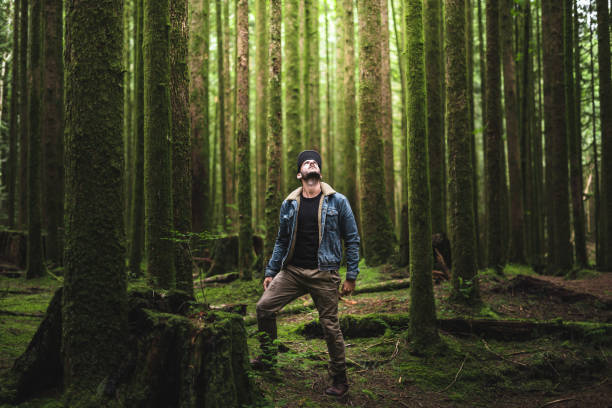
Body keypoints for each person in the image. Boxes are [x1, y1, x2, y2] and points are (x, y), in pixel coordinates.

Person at [253, 150, 360, 397]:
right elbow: (281, 240)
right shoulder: (289, 203)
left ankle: (340, 378)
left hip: (324, 273)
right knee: (264, 308)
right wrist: (271, 270)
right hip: (292, 272)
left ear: (320, 173)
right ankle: (269, 358)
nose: (311, 163)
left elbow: (352, 239)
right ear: (299, 173)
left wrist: (351, 276)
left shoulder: (338, 201)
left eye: (315, 162)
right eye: (306, 162)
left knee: (330, 326)